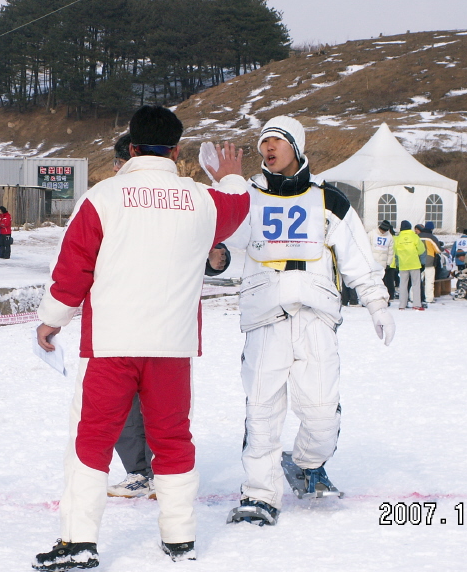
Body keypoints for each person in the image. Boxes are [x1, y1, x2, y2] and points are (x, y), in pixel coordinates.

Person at [32, 105, 250, 570]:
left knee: (90, 439)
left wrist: (53, 319)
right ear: (177, 150)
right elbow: (237, 205)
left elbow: (74, 269)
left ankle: (78, 542)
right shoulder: (201, 201)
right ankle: (180, 539)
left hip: (112, 344)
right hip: (172, 346)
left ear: (131, 148)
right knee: (173, 439)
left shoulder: (103, 197)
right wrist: (230, 175)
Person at [223, 116, 394, 528]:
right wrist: (217, 252)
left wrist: (377, 303)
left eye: (278, 141)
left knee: (321, 414)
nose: (269, 148)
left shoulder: (328, 200)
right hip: (265, 319)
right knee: (262, 414)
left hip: (317, 319)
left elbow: (356, 257)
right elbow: (225, 246)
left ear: (297, 147)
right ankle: (259, 495)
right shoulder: (247, 197)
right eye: (264, 141)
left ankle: (305, 464)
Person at [106, 132, 233, 500]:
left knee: (164, 409)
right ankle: (139, 472)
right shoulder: (109, 201)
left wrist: (216, 258)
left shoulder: (177, 198)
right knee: (124, 410)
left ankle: (168, 474)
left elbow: (208, 241)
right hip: (120, 323)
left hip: (168, 325)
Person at [394, 221, 425, 310]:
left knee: (403, 285)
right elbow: (421, 249)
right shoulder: (414, 237)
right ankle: (416, 304)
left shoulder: (398, 238)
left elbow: (395, 251)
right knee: (416, 284)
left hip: (403, 264)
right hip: (414, 263)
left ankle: (402, 305)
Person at [368, 220, 396, 304]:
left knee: (382, 284)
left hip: (382, 265)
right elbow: (366, 247)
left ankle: (382, 299)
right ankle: (371, 299)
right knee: (371, 282)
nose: (383, 232)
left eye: (384, 230)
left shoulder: (389, 237)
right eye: (382, 230)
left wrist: (388, 263)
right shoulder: (372, 234)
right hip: (372, 262)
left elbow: (391, 252)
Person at [415, 223, 441, 304]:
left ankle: (413, 297)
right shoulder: (432, 237)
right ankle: (429, 298)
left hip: (418, 261)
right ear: (432, 229)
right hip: (429, 261)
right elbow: (438, 250)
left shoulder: (417, 236)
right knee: (429, 281)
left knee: (416, 281)